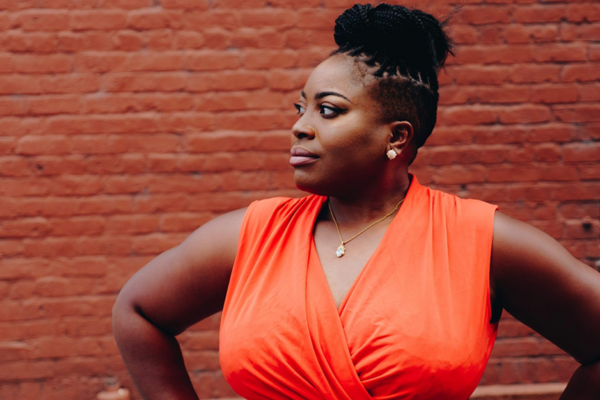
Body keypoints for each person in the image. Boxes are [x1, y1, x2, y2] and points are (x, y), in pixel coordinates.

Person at [112, 3, 600, 399]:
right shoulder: (249, 236)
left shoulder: (482, 242)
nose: (300, 125)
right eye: (300, 107)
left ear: (396, 136)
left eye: (328, 110)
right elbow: (138, 311)